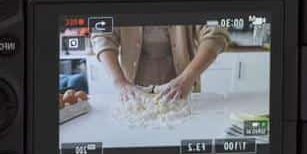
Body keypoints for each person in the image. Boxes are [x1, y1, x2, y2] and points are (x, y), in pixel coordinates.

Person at [89, 25, 232, 102]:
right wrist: (119, 82)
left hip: (182, 90)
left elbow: (216, 34)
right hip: (134, 93)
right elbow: (102, 35)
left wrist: (187, 78)